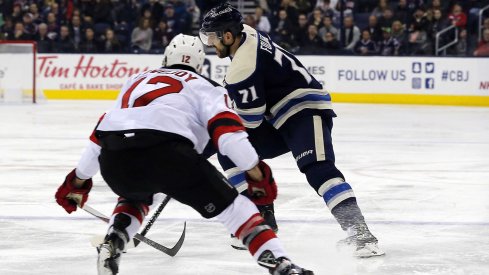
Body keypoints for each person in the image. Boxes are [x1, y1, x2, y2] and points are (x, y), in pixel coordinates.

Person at [54, 34, 314, 275]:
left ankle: (113, 242)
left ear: (166, 58)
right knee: (238, 210)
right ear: (200, 65)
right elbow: (227, 133)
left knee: (135, 195)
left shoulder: (134, 81)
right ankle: (281, 265)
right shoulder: (205, 85)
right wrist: (255, 172)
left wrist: (77, 181)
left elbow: (106, 129)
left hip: (115, 158)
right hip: (171, 154)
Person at [199, 3, 384, 257]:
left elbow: (249, 122)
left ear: (228, 36)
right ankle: (261, 218)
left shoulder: (242, 67)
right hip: (279, 117)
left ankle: (360, 232)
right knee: (228, 151)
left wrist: (205, 144)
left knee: (319, 170)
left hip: (305, 109)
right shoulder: (248, 33)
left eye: (212, 37)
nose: (210, 43)